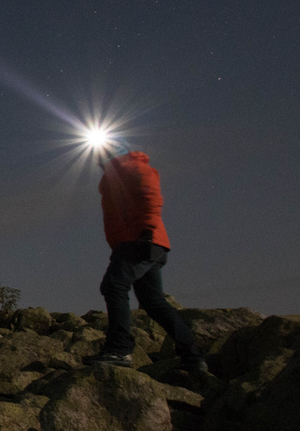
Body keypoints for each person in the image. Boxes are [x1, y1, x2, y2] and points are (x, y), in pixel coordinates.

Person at [86, 140, 209, 376]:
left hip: (141, 241)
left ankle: (120, 350)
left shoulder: (133, 168)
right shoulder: (114, 177)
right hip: (139, 242)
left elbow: (151, 199)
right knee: (153, 302)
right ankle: (193, 357)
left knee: (114, 285)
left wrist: (147, 233)